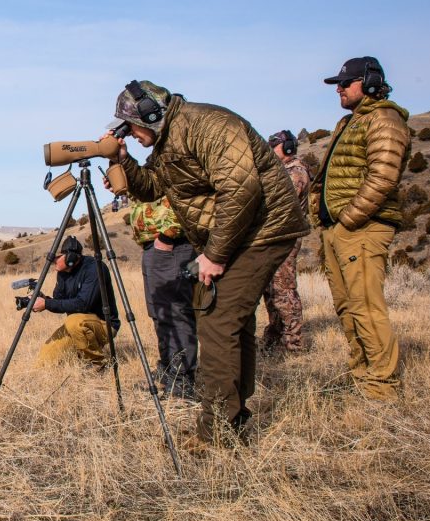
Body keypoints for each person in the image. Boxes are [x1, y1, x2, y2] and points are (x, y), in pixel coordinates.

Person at [104, 80, 309, 447]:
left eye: (132, 126)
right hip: (241, 233)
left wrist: (215, 254)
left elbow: (241, 190)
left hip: (262, 230)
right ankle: (235, 417)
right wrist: (123, 161)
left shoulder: (211, 125)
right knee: (235, 322)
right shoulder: (168, 142)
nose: (131, 135)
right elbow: (152, 188)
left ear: (151, 115)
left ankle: (216, 433)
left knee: (215, 318)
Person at [310, 56, 410, 400]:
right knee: (347, 306)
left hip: (362, 228)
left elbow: (383, 176)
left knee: (366, 306)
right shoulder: (349, 121)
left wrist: (349, 218)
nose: (338, 89)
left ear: (368, 82)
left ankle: (382, 388)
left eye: (344, 83)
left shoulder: (384, 118)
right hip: (338, 229)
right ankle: (362, 374)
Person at [126, 197, 198, 399]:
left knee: (174, 314)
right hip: (154, 245)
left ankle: (182, 382)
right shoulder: (153, 168)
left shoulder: (172, 166)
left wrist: (168, 236)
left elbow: (183, 195)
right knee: (159, 313)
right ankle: (168, 371)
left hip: (171, 244)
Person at [33, 236, 119, 367]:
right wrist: (43, 300)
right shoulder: (63, 272)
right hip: (77, 324)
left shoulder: (95, 269)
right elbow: (59, 302)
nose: (53, 261)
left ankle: (98, 363)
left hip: (104, 324)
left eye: (56, 257)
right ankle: (81, 350)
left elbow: (82, 304)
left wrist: (47, 304)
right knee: (44, 360)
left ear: (70, 258)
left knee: (73, 322)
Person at [261, 130, 312, 353]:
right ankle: (274, 336)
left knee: (284, 290)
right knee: (269, 290)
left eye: (275, 146)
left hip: (285, 238)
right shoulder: (278, 171)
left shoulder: (296, 172)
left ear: (288, 147)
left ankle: (293, 343)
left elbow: (279, 201)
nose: (271, 150)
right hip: (271, 237)